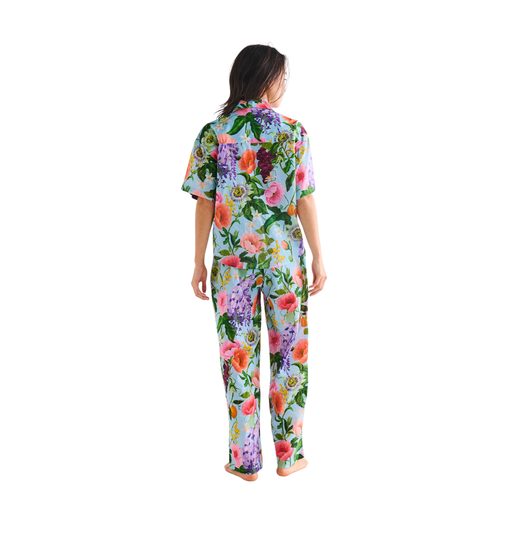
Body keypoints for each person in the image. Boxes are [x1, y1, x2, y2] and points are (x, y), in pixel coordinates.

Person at [181, 44, 327, 481]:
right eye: (282, 76)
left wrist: (197, 261)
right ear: (266, 79)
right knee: (290, 356)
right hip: (284, 262)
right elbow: (304, 199)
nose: (284, 85)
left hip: (232, 265)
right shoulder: (293, 131)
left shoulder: (214, 133)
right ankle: (289, 457)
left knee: (238, 358)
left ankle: (245, 462)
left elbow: (204, 202)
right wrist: (319, 256)